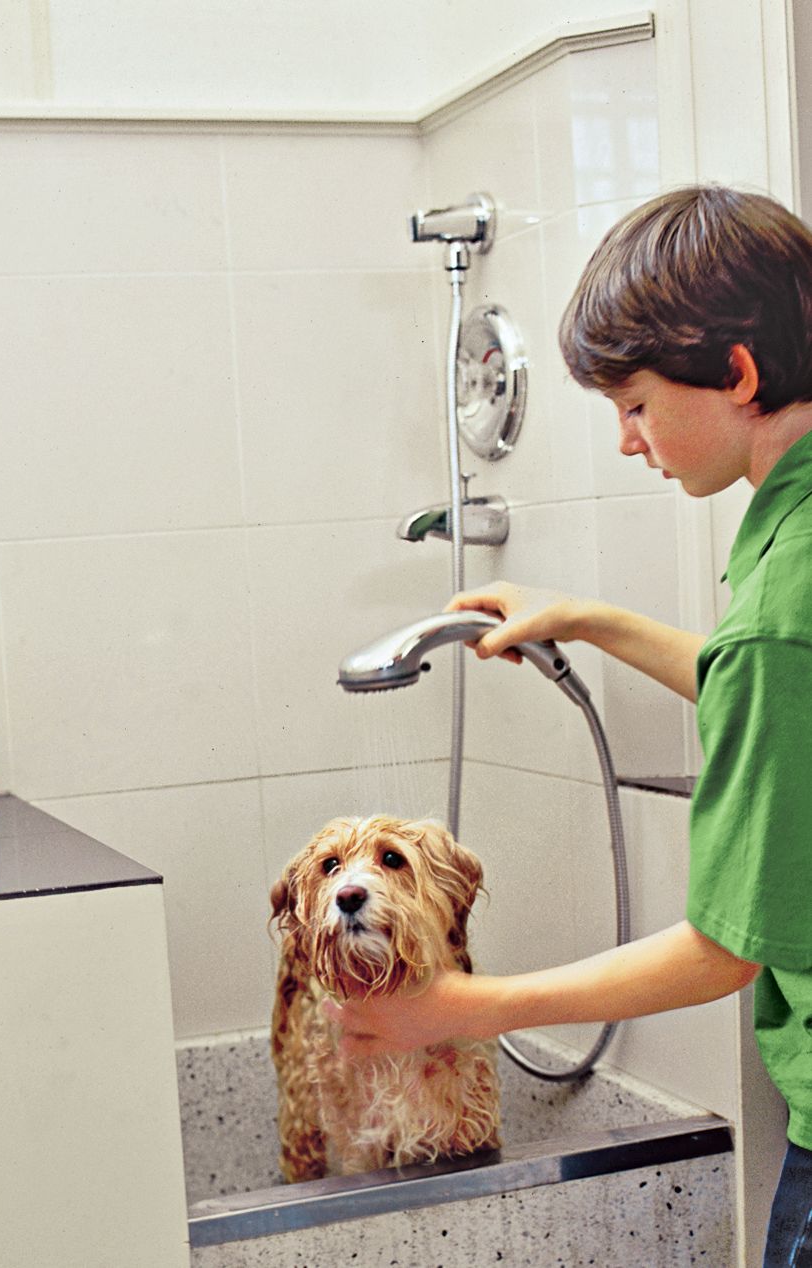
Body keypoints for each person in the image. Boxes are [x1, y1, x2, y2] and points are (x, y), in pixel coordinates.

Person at [324, 185, 812, 1265]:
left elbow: (722, 950)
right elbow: (765, 691)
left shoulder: (785, 601)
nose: (629, 440)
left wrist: (457, 1007)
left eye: (634, 404)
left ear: (734, 371)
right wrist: (591, 620)